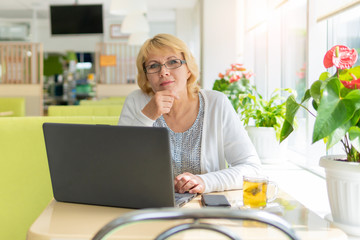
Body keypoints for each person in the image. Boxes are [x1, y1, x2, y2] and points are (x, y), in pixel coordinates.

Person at [118, 33, 261, 194]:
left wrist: (204, 181)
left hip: (204, 208)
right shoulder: (136, 102)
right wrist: (146, 117)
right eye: (153, 66)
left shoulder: (216, 103)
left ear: (188, 70)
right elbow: (120, 167)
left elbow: (252, 169)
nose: (163, 72)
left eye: (173, 62)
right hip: (150, 206)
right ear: (146, 76)